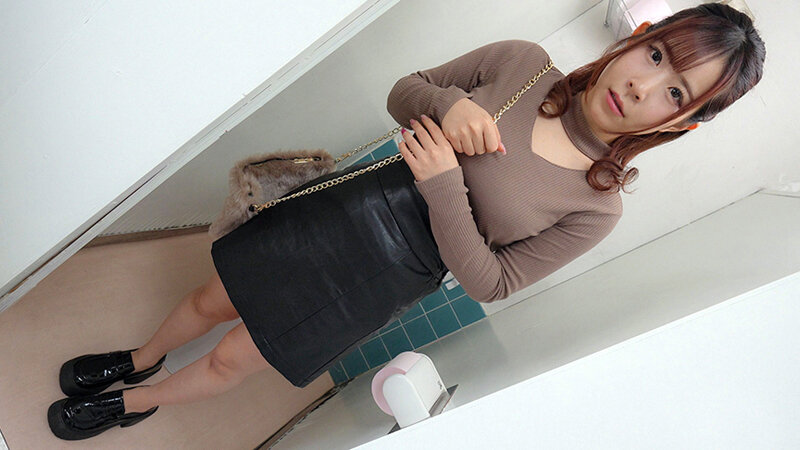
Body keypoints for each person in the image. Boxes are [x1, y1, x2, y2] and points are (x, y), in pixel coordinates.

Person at [48, 2, 765, 440]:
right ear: (642, 35)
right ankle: (138, 357)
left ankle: (135, 402)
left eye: (675, 92)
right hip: (343, 213)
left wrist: (446, 185)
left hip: (384, 279)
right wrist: (451, 106)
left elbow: (491, 282)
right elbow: (406, 90)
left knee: (237, 356)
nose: (641, 85)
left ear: (681, 123)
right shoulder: (524, 65)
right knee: (214, 298)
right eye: (656, 53)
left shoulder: (597, 207)